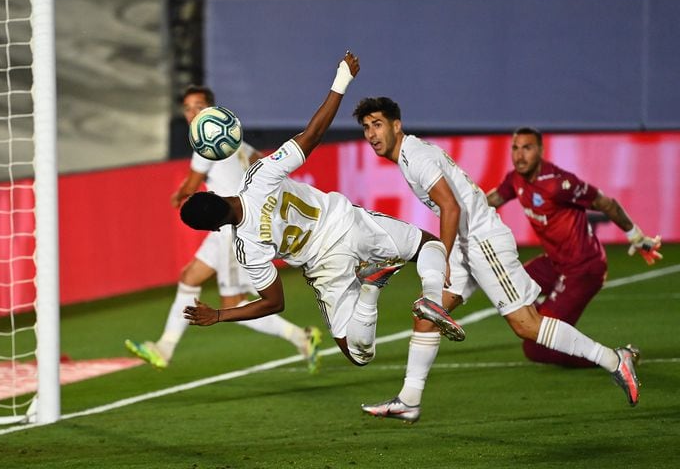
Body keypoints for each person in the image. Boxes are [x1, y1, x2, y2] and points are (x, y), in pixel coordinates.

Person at [352, 97, 641, 422]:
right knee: (426, 314)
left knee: (526, 325)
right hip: (466, 244)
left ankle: (615, 360)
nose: (371, 133)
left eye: (377, 124)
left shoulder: (416, 156)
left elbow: (451, 207)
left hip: (481, 242)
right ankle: (409, 400)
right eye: (366, 127)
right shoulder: (411, 155)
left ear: (396, 125)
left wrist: (442, 256)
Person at [180, 52, 465, 370]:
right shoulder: (259, 175)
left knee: (359, 355)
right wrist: (342, 79)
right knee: (429, 245)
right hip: (346, 221)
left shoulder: (246, 246)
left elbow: (274, 303)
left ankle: (371, 287)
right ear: (218, 193)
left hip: (325, 266)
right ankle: (431, 296)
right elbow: (313, 135)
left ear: (216, 228)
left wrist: (219, 315)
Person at [125, 85, 322, 373]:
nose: (193, 113)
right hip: (225, 224)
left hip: (232, 228)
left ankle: (300, 337)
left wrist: (179, 196)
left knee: (234, 303)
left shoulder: (205, 142)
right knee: (189, 276)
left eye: (199, 106)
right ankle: (164, 348)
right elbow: (261, 163)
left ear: (211, 109)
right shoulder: (233, 141)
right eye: (188, 108)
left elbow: (191, 185)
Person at [484, 126, 662, 367]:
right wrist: (460, 208)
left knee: (537, 348)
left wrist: (637, 237)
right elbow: (491, 200)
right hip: (555, 262)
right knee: (507, 284)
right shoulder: (515, 179)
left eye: (527, 148)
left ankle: (615, 358)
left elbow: (606, 203)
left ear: (540, 150)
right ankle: (549, 317)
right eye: (515, 148)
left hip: (583, 269)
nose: (519, 155)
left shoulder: (560, 184)